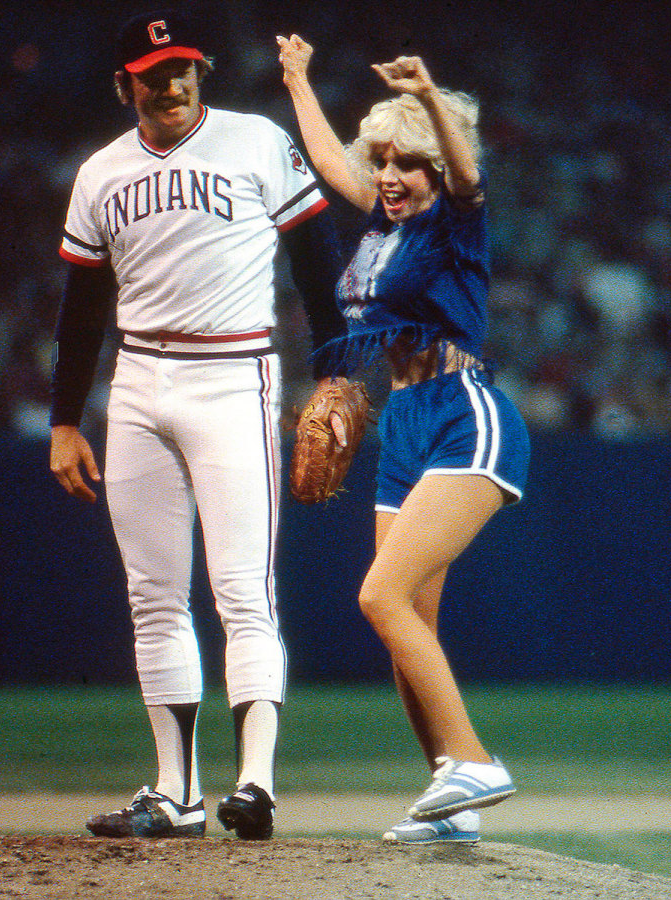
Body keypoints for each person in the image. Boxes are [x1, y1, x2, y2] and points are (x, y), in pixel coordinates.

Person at [49, 9, 349, 840]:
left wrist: (334, 370)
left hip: (233, 374)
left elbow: (317, 261)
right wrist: (64, 421)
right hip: (138, 382)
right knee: (153, 597)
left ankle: (256, 785)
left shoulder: (256, 141)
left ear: (199, 72)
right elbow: (82, 307)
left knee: (243, 590)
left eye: (181, 69)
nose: (170, 85)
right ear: (126, 86)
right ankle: (175, 794)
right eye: (153, 76)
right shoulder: (100, 173)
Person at [276, 35, 531, 845]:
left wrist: (426, 99)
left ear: (433, 168)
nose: (389, 175)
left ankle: (476, 762)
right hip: (405, 424)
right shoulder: (381, 225)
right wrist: (297, 80)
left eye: (406, 162)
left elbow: (468, 175)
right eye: (382, 159)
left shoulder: (455, 222)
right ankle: (452, 799)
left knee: (378, 596)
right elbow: (333, 166)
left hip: (465, 415)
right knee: (405, 623)